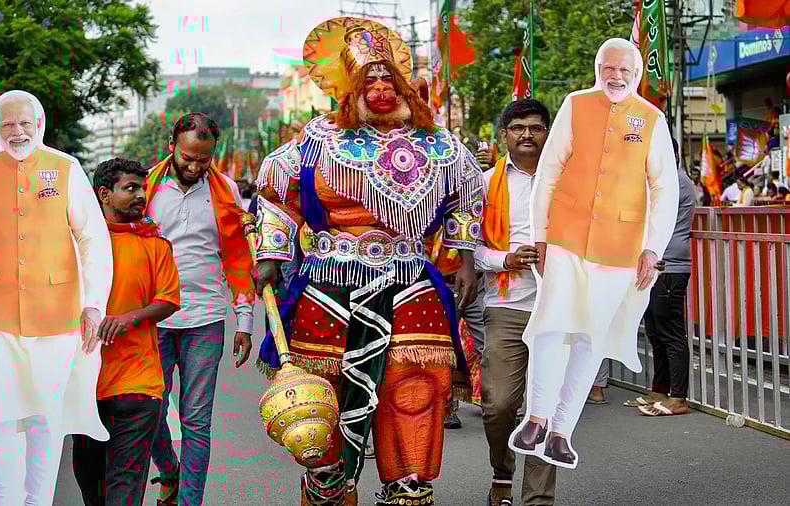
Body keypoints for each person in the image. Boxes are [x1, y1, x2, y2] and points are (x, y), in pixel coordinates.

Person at [254, 17, 481, 506]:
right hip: (329, 281)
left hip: (410, 277)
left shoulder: (438, 144)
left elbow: (468, 193)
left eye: (388, 79)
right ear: (350, 88)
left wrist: (464, 258)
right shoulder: (318, 138)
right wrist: (271, 252)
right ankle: (331, 489)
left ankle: (408, 489)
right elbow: (275, 193)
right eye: (368, 80)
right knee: (324, 392)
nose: (379, 89)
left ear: (404, 85)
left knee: (414, 390)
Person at [510, 38, 679, 469]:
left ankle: (562, 430)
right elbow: (548, 171)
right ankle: (537, 417)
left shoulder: (653, 119)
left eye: (625, 70)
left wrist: (652, 248)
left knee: (590, 339)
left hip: (620, 249)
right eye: (609, 67)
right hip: (566, 235)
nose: (616, 76)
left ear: (637, 74)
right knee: (551, 327)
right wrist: (541, 234)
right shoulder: (575, 104)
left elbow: (664, 189)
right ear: (598, 68)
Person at [0, 90, 113, 506]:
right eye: (7, 124)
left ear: (39, 125)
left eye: (24, 123)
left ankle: (37, 502)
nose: (17, 131)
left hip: (57, 317)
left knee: (45, 420)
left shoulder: (65, 168)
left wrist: (93, 304)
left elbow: (93, 239)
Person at [144, 112, 255, 506]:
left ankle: (190, 501)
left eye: (203, 160)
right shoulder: (146, 189)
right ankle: (170, 471)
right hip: (153, 318)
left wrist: (244, 321)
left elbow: (239, 259)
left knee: (196, 421)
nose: (194, 166)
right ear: (172, 144)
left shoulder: (225, 190)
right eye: (188, 157)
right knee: (150, 410)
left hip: (206, 319)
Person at [70, 158, 181, 505]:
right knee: (92, 483)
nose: (140, 195)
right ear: (104, 194)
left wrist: (130, 318)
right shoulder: (74, 247)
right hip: (86, 383)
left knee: (126, 483)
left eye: (142, 188)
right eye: (130, 188)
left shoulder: (155, 245)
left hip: (138, 383)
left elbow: (168, 300)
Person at [475, 99, 557, 506]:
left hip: (557, 305)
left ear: (548, 133)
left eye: (536, 127)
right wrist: (505, 258)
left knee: (545, 406)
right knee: (499, 405)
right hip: (506, 303)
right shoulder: (484, 183)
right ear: (505, 134)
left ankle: (538, 499)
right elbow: (470, 249)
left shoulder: (567, 180)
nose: (527, 134)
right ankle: (502, 472)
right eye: (518, 127)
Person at [623, 137, 696, 417]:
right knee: (655, 330)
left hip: (670, 265)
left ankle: (678, 397)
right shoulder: (664, 180)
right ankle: (659, 390)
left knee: (670, 331)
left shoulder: (674, 181)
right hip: (657, 265)